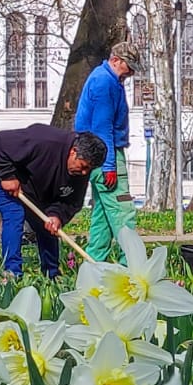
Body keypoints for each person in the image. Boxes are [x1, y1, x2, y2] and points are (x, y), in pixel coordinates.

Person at [0, 125, 105, 279]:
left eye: (90, 169)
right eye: (84, 166)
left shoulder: (80, 172)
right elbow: (0, 141)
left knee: (48, 224)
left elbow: (72, 201)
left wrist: (56, 215)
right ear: (73, 152)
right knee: (14, 213)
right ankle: (12, 272)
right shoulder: (43, 140)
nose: (85, 173)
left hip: (32, 187)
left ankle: (51, 274)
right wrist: (7, 176)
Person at [74, 41, 139, 261]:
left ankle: (93, 266)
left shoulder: (106, 78)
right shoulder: (104, 82)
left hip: (96, 152)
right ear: (115, 60)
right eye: (128, 66)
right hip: (105, 155)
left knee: (102, 215)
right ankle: (132, 266)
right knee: (122, 211)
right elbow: (103, 128)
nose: (130, 72)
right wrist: (109, 165)